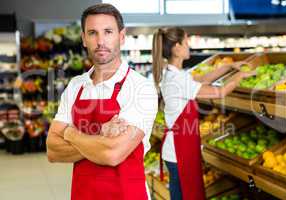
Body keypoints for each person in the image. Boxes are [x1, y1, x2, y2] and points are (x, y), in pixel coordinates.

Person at [46, 4, 158, 200]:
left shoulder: (140, 87)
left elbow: (112, 153)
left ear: (121, 37)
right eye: (92, 33)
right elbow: (53, 150)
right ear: (83, 39)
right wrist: (100, 135)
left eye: (108, 32)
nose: (100, 41)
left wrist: (69, 132)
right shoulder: (75, 86)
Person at [152, 27, 255, 200]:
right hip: (180, 150)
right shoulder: (177, 79)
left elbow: (202, 80)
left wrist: (229, 67)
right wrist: (240, 77)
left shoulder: (172, 74)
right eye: (186, 42)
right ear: (177, 47)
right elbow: (220, 92)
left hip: (179, 147)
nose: (189, 45)